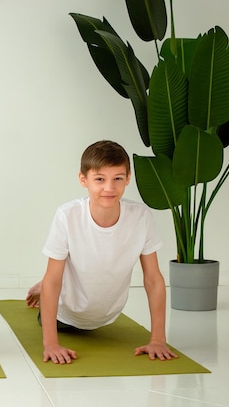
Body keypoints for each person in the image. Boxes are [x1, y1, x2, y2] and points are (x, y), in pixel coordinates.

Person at [25, 140, 178, 365]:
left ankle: (61, 278)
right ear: (83, 180)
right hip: (66, 315)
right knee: (52, 280)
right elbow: (53, 282)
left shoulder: (141, 217)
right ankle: (49, 283)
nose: (109, 188)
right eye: (100, 179)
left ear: (128, 178)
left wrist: (158, 339)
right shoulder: (67, 215)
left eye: (117, 178)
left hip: (108, 316)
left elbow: (153, 279)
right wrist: (51, 344)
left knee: (64, 274)